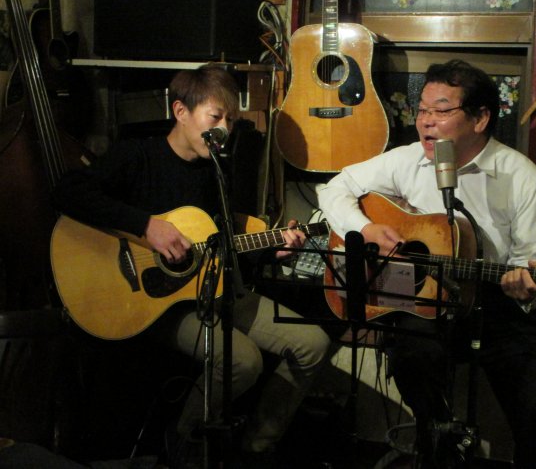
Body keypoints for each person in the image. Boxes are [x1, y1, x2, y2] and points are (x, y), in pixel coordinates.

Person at [53, 62, 331, 467]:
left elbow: (221, 242)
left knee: (313, 345)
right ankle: (184, 445)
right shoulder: (138, 156)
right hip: (156, 303)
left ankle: (256, 447)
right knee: (243, 361)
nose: (225, 129)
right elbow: (67, 192)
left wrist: (272, 249)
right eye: (215, 117)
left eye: (230, 120)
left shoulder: (216, 171)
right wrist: (146, 226)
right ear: (181, 111)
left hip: (214, 288)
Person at [318, 59, 536, 468]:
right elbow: (334, 188)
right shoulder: (407, 160)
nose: (426, 122)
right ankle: (437, 443)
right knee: (411, 356)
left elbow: (535, 265)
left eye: (441, 110)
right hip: (427, 299)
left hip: (500, 307)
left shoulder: (520, 177)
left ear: (480, 118)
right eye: (421, 110)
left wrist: (525, 285)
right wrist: (365, 228)